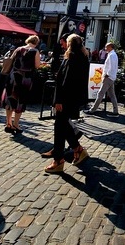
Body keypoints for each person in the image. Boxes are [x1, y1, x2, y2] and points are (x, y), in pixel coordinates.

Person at [43, 34, 90, 173]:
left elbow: (66, 81)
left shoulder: (72, 57)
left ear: (70, 44)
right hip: (73, 98)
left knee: (60, 126)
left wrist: (59, 100)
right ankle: (77, 149)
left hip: (66, 98)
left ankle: (58, 160)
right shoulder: (83, 57)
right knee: (63, 125)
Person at [3, 35, 42, 134]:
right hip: (25, 78)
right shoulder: (35, 51)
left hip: (13, 76)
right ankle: (16, 124)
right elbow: (37, 65)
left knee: (11, 98)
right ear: (36, 43)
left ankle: (8, 123)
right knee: (21, 100)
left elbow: (11, 59)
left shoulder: (18, 49)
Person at [85, 42, 119, 117]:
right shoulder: (113, 54)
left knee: (100, 93)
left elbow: (111, 67)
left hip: (108, 77)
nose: (105, 48)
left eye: (107, 47)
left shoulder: (112, 55)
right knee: (112, 95)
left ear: (111, 47)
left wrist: (107, 75)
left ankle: (92, 110)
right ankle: (115, 111)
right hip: (111, 77)